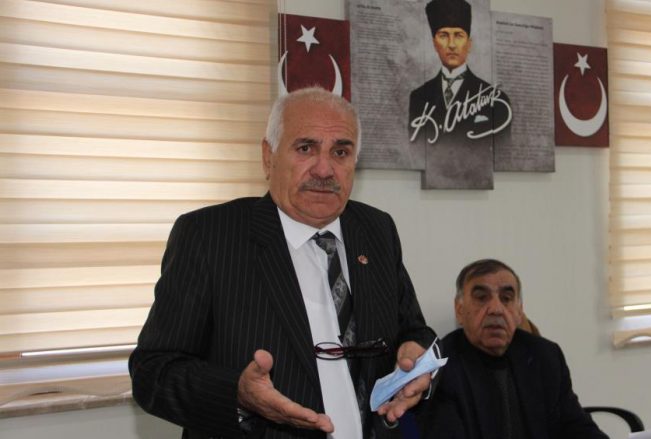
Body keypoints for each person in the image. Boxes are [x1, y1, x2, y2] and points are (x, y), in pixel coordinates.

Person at [130, 87, 437, 439]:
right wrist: (238, 395)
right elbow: (152, 372)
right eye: (305, 148)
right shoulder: (209, 236)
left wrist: (416, 359)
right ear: (268, 157)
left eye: (340, 152)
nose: (324, 169)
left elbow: (414, 330)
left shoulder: (376, 229)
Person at [418, 259, 608, 439]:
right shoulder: (440, 367)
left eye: (506, 298)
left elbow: (577, 427)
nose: (496, 308)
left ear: (519, 312)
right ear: (459, 310)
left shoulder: (545, 356)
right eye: (482, 298)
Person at [408, 0, 512, 189]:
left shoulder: (496, 100)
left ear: (469, 43)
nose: (451, 44)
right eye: (443, 35)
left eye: (458, 35)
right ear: (434, 43)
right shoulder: (419, 98)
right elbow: (415, 151)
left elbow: (501, 153)